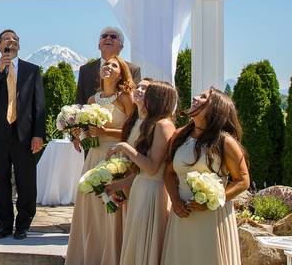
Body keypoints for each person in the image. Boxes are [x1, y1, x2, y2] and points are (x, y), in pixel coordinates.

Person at [160, 88, 249, 265]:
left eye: (203, 97)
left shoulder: (224, 142)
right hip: (182, 215)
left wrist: (212, 201)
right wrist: (175, 200)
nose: (195, 97)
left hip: (212, 218)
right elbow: (168, 173)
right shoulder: (180, 135)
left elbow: (243, 180)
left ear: (216, 108)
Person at [65, 56, 135, 265]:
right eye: (106, 65)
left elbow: (134, 131)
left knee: (110, 205)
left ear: (121, 73)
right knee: (92, 206)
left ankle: (111, 256)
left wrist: (108, 132)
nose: (108, 67)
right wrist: (80, 133)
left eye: (114, 65)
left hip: (115, 156)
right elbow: (90, 132)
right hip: (93, 156)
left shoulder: (125, 98)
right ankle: (91, 255)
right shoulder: (92, 100)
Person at [0, 28, 46, 240]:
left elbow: (39, 105)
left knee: (26, 180)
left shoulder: (32, 70)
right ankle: (5, 225)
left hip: (24, 133)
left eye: (15, 39)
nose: (12, 41)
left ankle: (23, 225)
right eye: (7, 39)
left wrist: (38, 134)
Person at [106, 80, 178, 265]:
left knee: (146, 245)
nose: (142, 94)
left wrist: (124, 147)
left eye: (149, 93)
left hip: (152, 192)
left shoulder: (163, 125)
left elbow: (152, 167)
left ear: (158, 99)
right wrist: (119, 184)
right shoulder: (150, 124)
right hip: (140, 187)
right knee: (135, 243)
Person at [76, 27, 142, 107]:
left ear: (121, 47)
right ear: (99, 46)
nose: (108, 38)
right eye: (104, 36)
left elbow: (136, 103)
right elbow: (79, 102)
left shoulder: (133, 70)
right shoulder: (85, 70)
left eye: (113, 36)